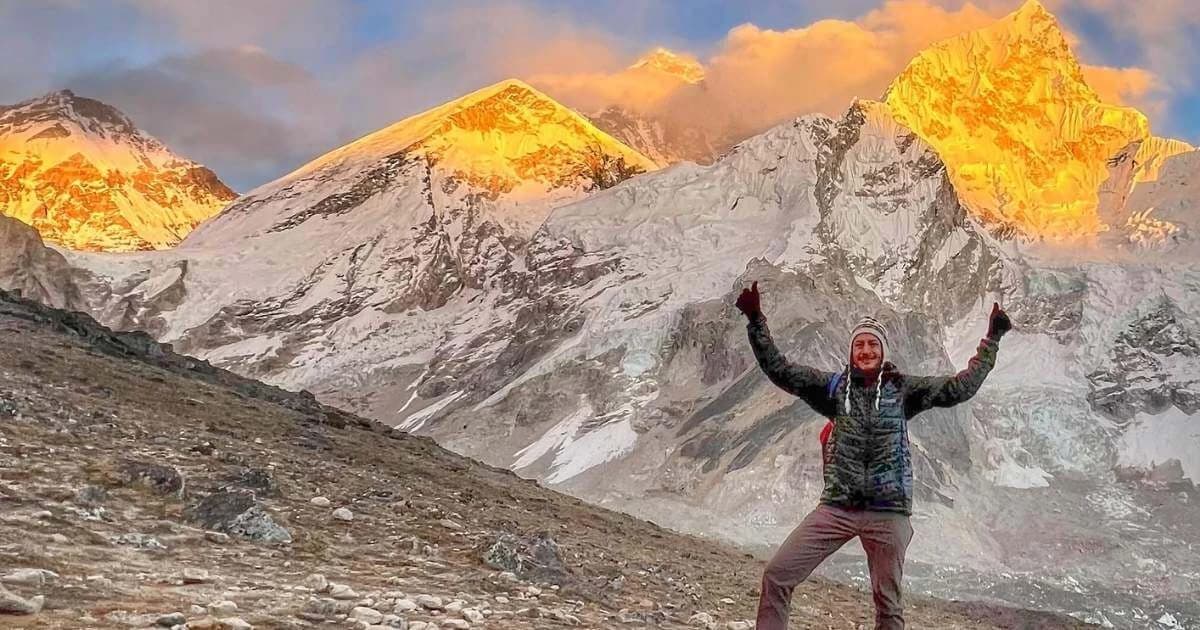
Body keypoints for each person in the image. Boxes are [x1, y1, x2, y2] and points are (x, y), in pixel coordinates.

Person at [734, 281, 1011, 630]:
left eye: (872, 344)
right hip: (838, 507)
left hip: (888, 512)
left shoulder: (902, 390)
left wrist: (992, 340)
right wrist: (756, 319)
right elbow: (780, 370)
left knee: (888, 605)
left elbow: (960, 388)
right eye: (859, 344)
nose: (865, 350)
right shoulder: (833, 390)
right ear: (851, 352)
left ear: (882, 350)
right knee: (777, 574)